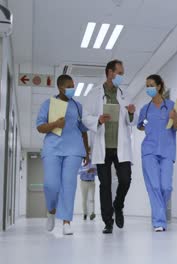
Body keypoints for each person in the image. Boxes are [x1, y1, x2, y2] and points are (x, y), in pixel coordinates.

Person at [82, 59, 137, 234]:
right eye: (119, 72)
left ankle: (118, 205)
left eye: (122, 73)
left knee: (126, 180)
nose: (121, 76)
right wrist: (97, 120)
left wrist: (131, 113)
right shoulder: (94, 94)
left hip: (121, 147)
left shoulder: (125, 95)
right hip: (102, 146)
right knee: (104, 185)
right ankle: (108, 221)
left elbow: (131, 122)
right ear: (109, 72)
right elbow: (85, 117)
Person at [36, 74, 89, 235]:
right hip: (53, 148)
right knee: (50, 185)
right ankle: (51, 210)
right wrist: (55, 124)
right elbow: (40, 127)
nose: (72, 89)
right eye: (69, 86)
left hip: (73, 150)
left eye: (73, 85)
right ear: (60, 88)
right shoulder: (48, 104)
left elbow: (83, 130)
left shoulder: (78, 106)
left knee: (69, 185)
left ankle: (66, 221)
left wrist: (86, 150)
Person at [137, 74, 177, 232]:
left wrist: (174, 118)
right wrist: (145, 123)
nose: (148, 88)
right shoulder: (145, 109)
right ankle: (159, 221)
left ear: (158, 86)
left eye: (151, 85)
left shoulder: (171, 105)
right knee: (155, 186)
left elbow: (176, 127)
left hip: (167, 150)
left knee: (166, 187)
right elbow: (140, 126)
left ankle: (158, 214)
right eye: (147, 85)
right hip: (149, 150)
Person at [79, 151, 97, 221]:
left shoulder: (93, 162)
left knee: (92, 199)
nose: (89, 154)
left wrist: (94, 171)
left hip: (92, 182)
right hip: (83, 182)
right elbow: (79, 171)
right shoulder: (82, 161)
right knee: (84, 199)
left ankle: (92, 213)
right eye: (88, 152)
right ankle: (85, 213)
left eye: (90, 152)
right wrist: (86, 171)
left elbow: (97, 173)